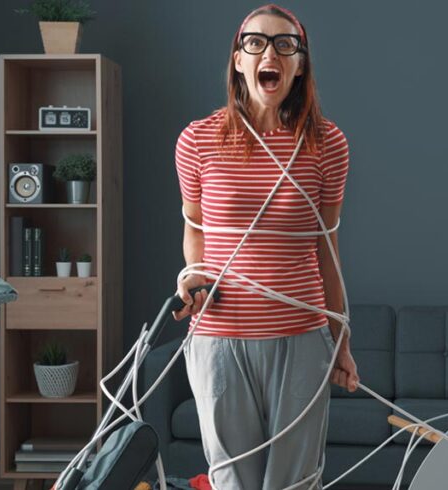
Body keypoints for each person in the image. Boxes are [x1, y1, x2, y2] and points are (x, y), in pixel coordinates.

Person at [171, 4, 359, 490]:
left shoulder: (328, 144)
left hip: (300, 338)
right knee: (232, 480)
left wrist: (342, 339)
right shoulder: (197, 141)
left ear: (300, 64)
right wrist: (195, 275)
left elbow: (327, 247)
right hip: (218, 337)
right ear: (238, 60)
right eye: (254, 42)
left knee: (294, 481)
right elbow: (195, 229)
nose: (268, 52)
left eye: (284, 44)